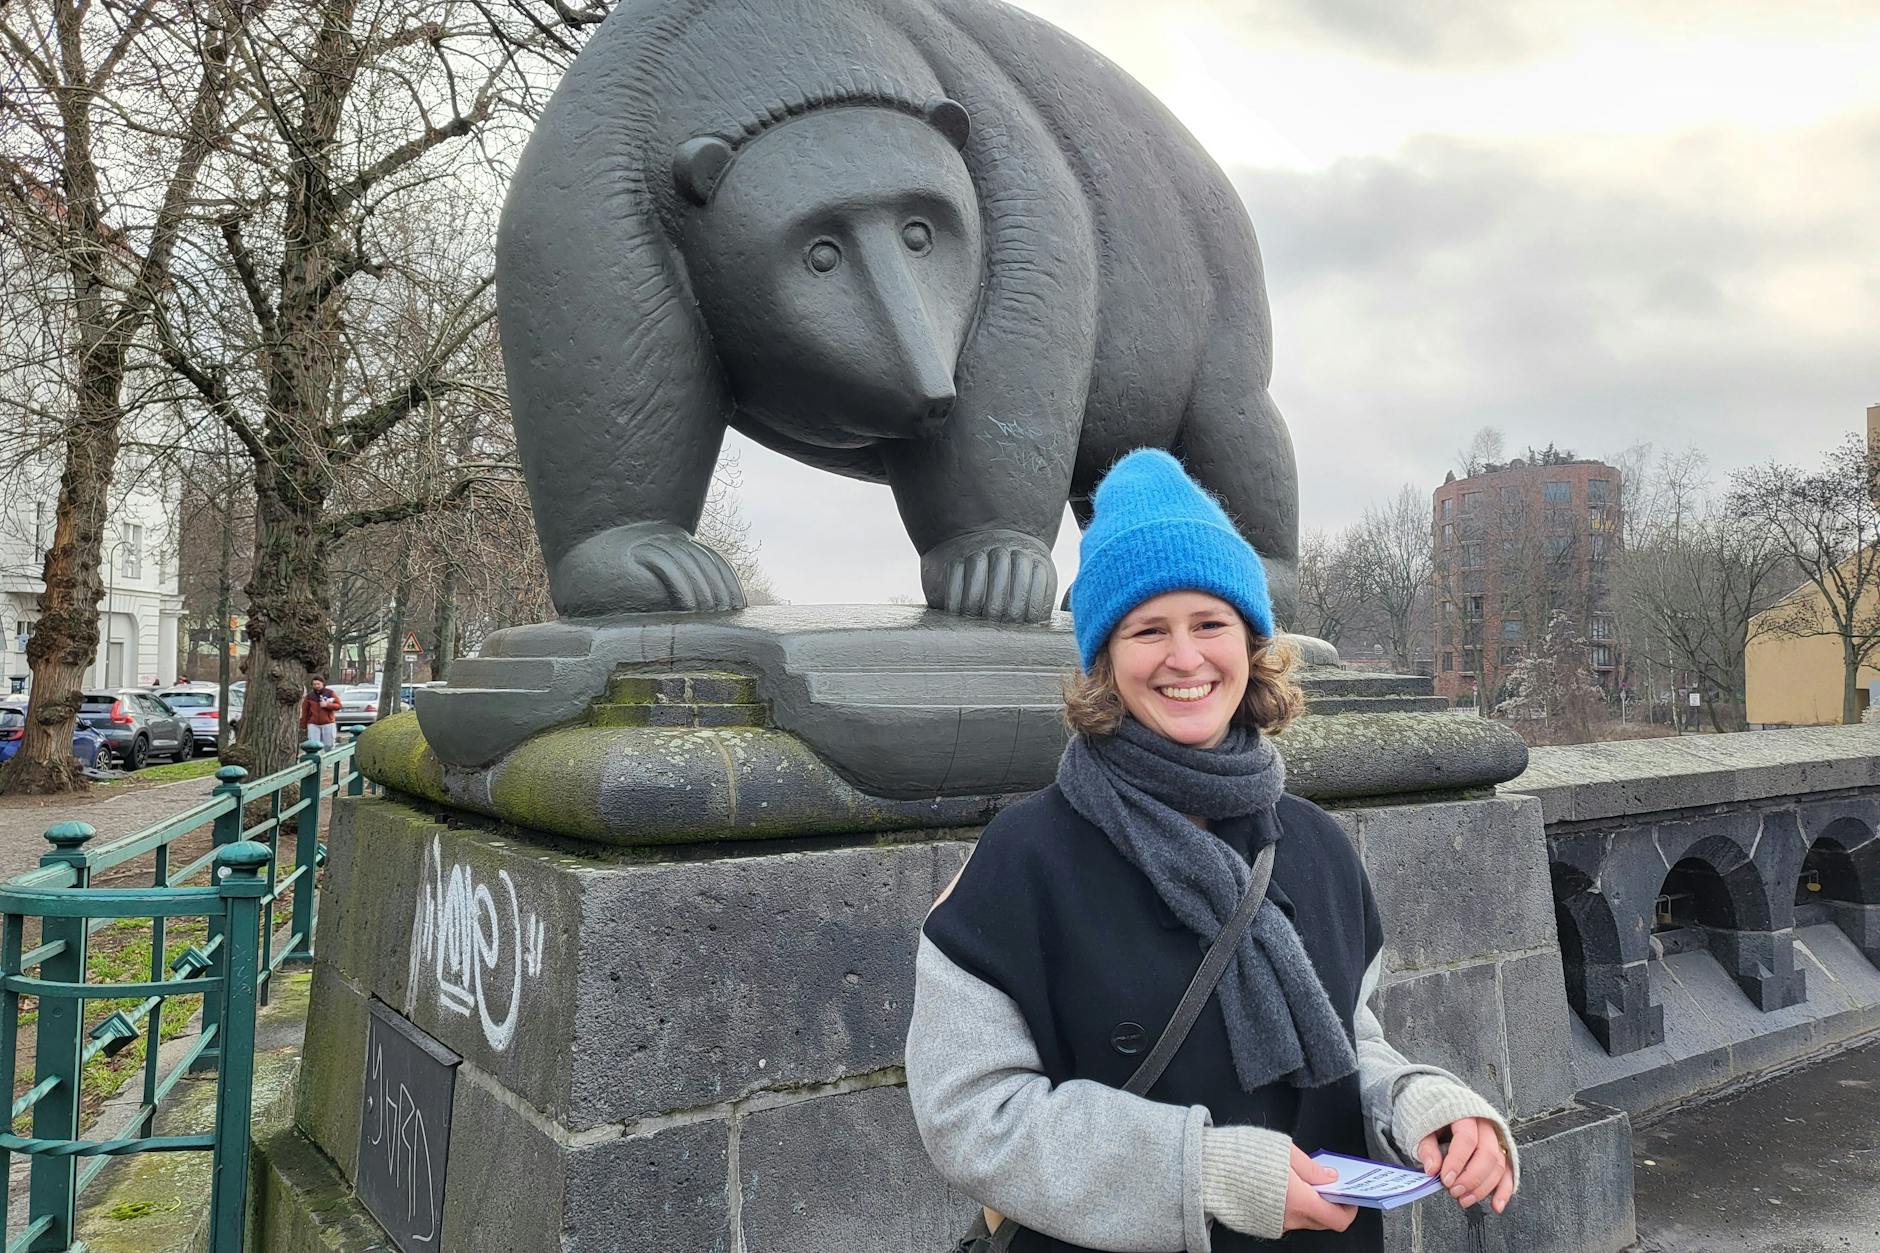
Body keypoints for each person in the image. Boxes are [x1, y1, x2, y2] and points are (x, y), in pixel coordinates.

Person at [906, 450, 1517, 1251]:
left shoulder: (1318, 846)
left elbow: (1347, 1039)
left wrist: (1416, 1104)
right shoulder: (1024, 858)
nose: (1186, 657)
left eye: (1209, 623)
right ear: (1105, 659)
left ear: (1251, 642)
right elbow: (972, 1115)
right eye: (1148, 629)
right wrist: (1204, 1172)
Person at [300, 677, 342, 749]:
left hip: (328, 722)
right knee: (313, 745)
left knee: (329, 745)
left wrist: (327, 705)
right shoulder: (309, 696)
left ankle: (330, 756)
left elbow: (339, 706)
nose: (316, 686)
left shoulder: (330, 693)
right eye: (314, 684)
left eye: (318, 684)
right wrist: (303, 725)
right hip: (313, 723)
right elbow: (305, 711)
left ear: (323, 684)